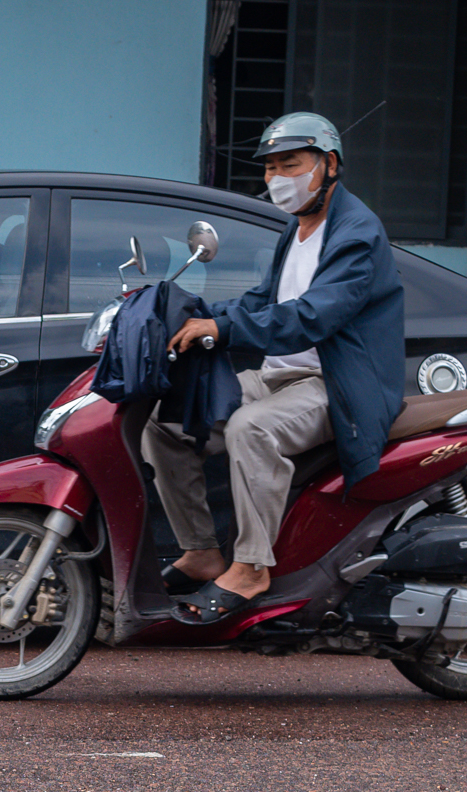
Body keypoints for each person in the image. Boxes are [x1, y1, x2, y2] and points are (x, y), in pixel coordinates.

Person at [140, 111, 406, 623]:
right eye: (270, 169)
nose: (277, 179)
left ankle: (251, 567)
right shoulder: (299, 228)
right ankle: (201, 553)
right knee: (163, 419)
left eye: (290, 165)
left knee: (250, 429)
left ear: (329, 164)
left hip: (338, 385)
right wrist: (194, 315)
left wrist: (222, 331)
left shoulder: (356, 233)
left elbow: (312, 317)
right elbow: (265, 301)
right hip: (280, 377)